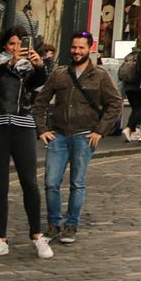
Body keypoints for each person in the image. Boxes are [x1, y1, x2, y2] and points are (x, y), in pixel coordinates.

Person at [33, 32, 123, 247]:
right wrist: (42, 130)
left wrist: (100, 131)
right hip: (59, 136)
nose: (76, 51)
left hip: (84, 137)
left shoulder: (100, 76)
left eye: (81, 48)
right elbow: (40, 102)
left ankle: (71, 225)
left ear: (89, 49)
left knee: (77, 183)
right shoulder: (59, 74)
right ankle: (54, 224)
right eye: (74, 47)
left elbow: (116, 103)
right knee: (51, 182)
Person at [0, 29, 50, 259]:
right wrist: (9, 63)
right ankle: (0, 239)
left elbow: (41, 85)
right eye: (11, 44)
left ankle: (37, 236)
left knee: (29, 181)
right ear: (4, 46)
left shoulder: (29, 70)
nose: (16, 48)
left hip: (22, 126)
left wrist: (40, 66)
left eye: (20, 44)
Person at [120, 31, 141, 142]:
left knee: (135, 108)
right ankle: (129, 129)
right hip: (138, 85)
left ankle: (134, 131)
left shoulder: (129, 55)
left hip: (128, 86)